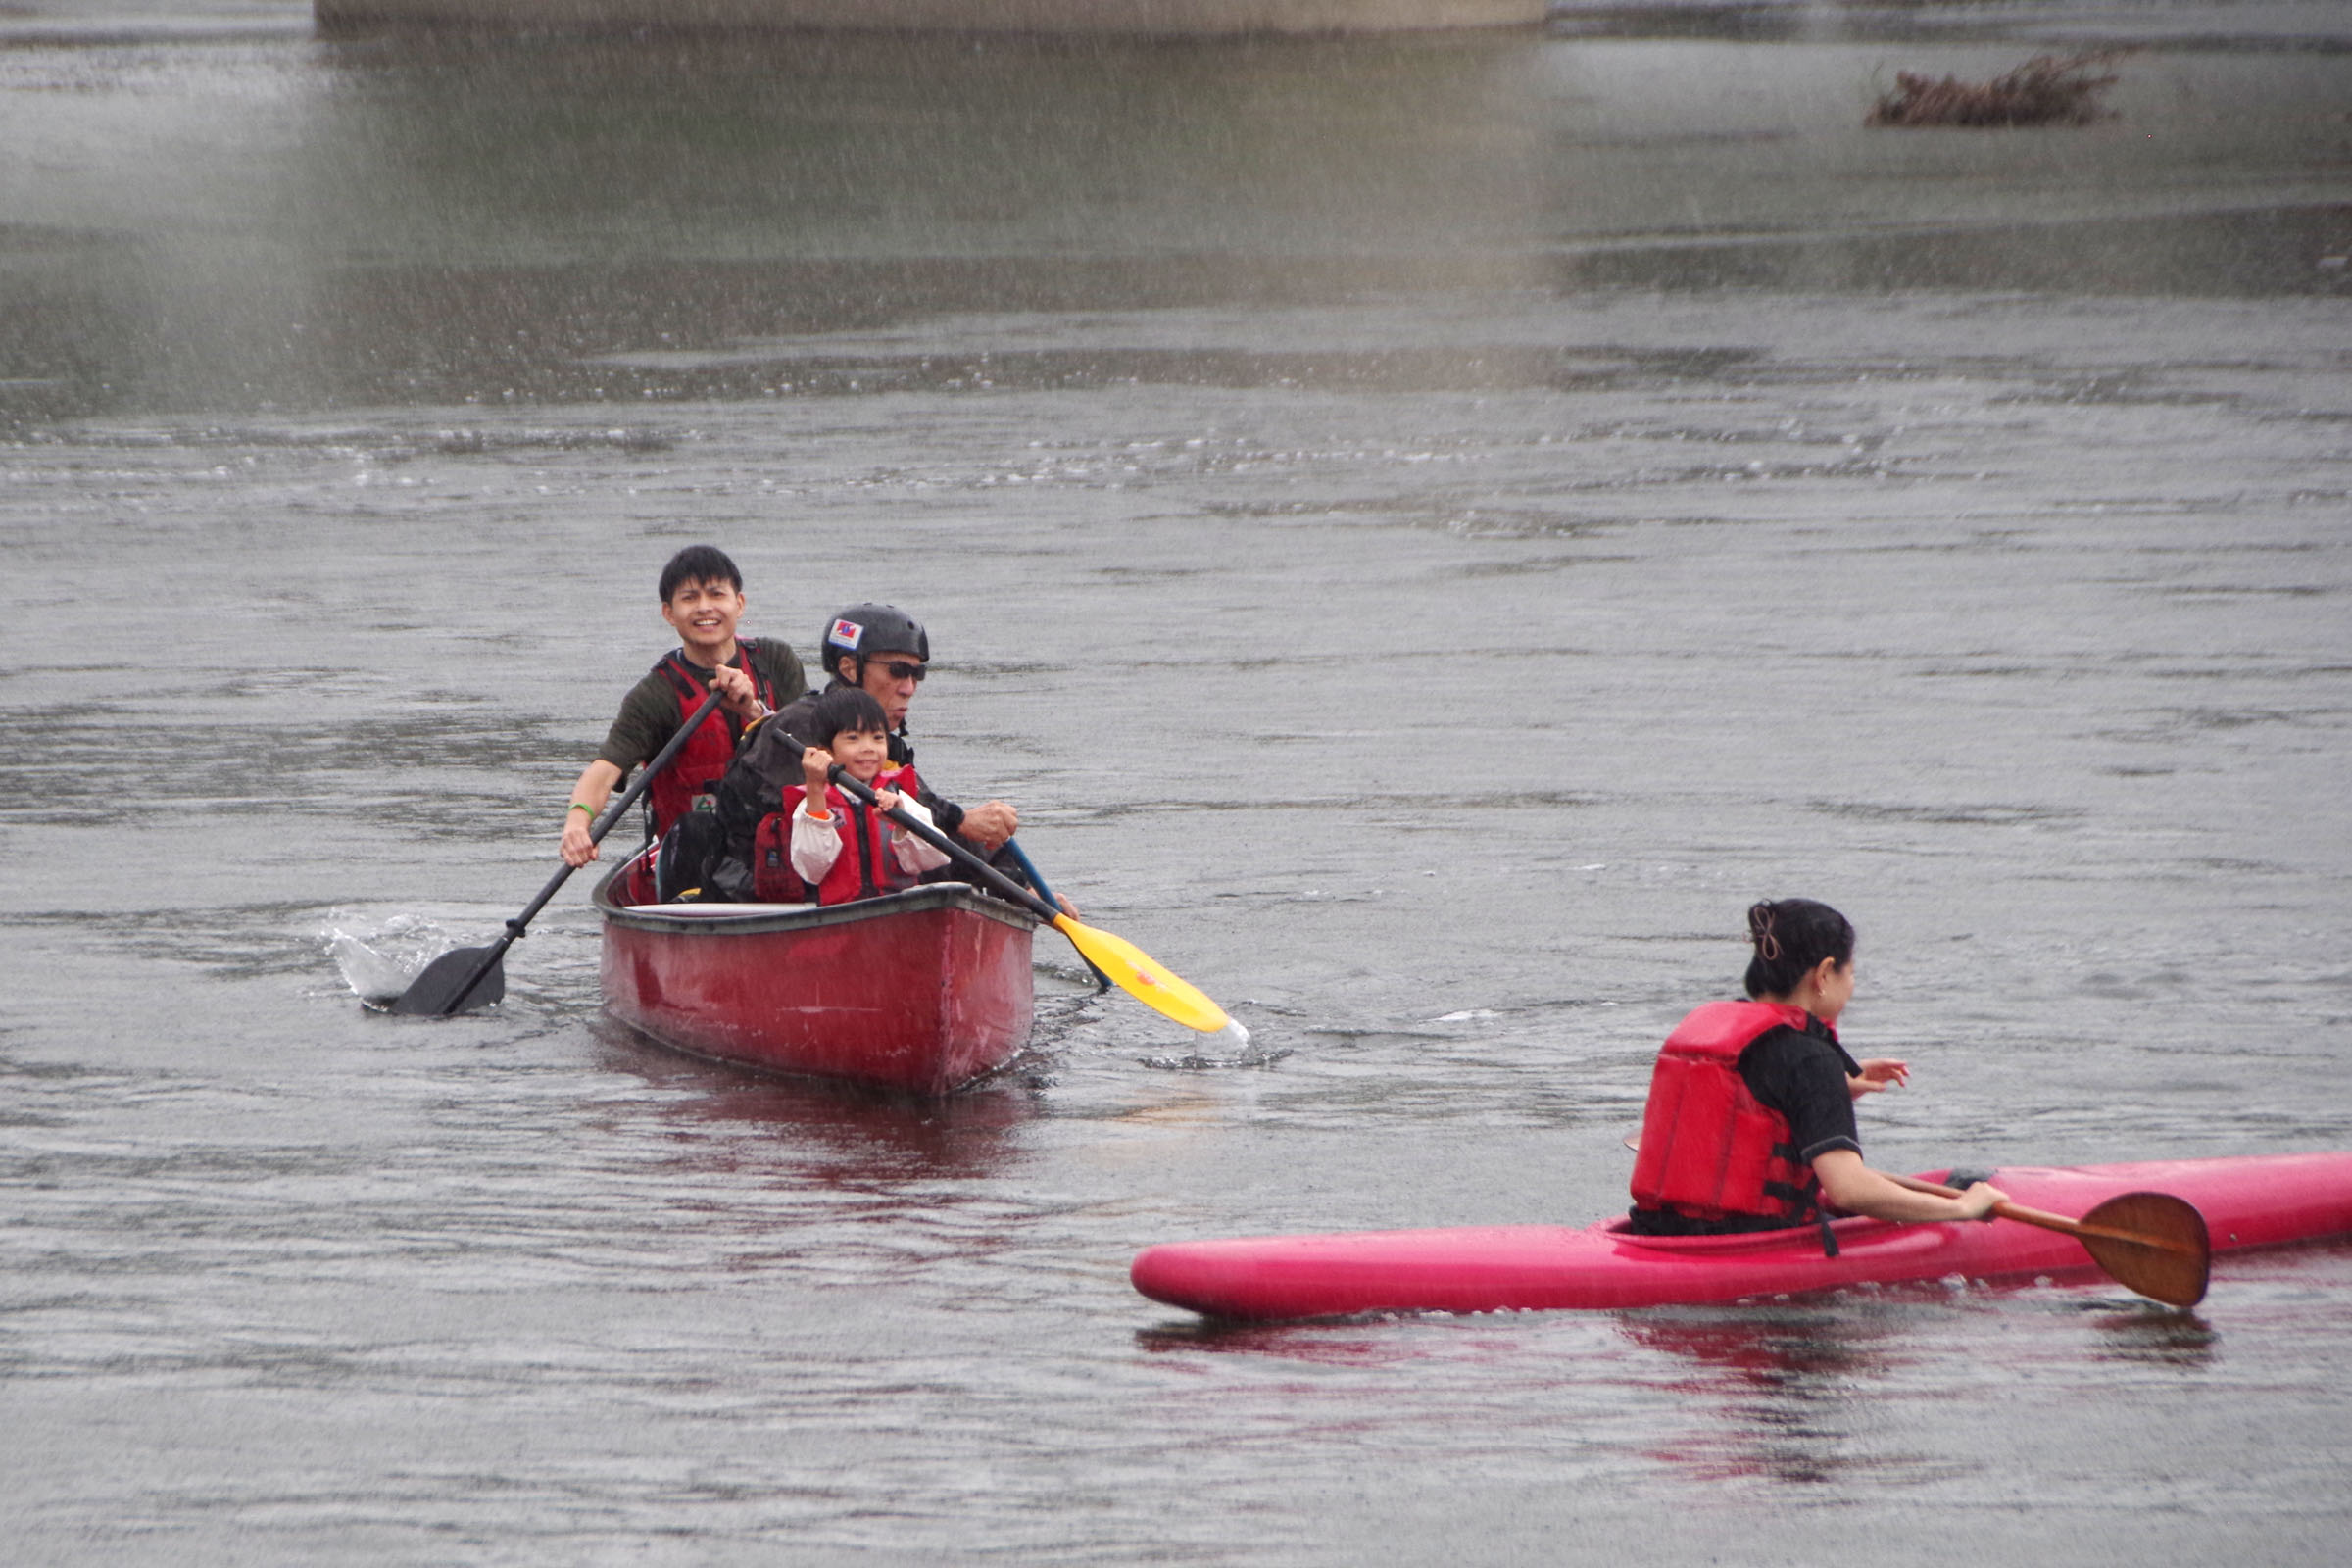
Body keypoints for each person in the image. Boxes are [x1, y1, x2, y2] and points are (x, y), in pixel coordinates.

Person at [1626, 898, 2008, 1251]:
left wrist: (1837, 1090)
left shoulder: (1712, 1032)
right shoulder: (1810, 1059)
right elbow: (1848, 1191)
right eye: (1851, 973)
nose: (1851, 986)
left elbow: (1740, 1110)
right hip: (1748, 1242)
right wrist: (1964, 1209)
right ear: (1825, 973)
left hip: (1654, 1230)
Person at [711, 602, 1058, 907]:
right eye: (897, 671)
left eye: (917, 673)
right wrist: (963, 820)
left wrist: (1022, 887)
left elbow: (922, 812)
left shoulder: (880, 743)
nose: (909, 687)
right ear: (849, 669)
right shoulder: (804, 728)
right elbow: (938, 819)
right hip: (756, 891)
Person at [558, 547, 806, 894]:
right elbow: (605, 769)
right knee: (696, 829)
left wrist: (753, 710)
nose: (705, 607)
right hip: (700, 858)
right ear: (669, 613)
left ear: (740, 604)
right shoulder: (656, 694)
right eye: (690, 598)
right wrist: (577, 822)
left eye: (717, 594)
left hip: (785, 843)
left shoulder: (775, 661)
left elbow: (814, 748)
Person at [759, 686, 951, 905]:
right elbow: (812, 869)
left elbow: (935, 857)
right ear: (826, 751)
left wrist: (902, 823)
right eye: (853, 738)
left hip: (900, 914)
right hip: (841, 920)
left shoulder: (898, 795)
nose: (868, 748)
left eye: (878, 738)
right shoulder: (810, 804)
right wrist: (814, 787)